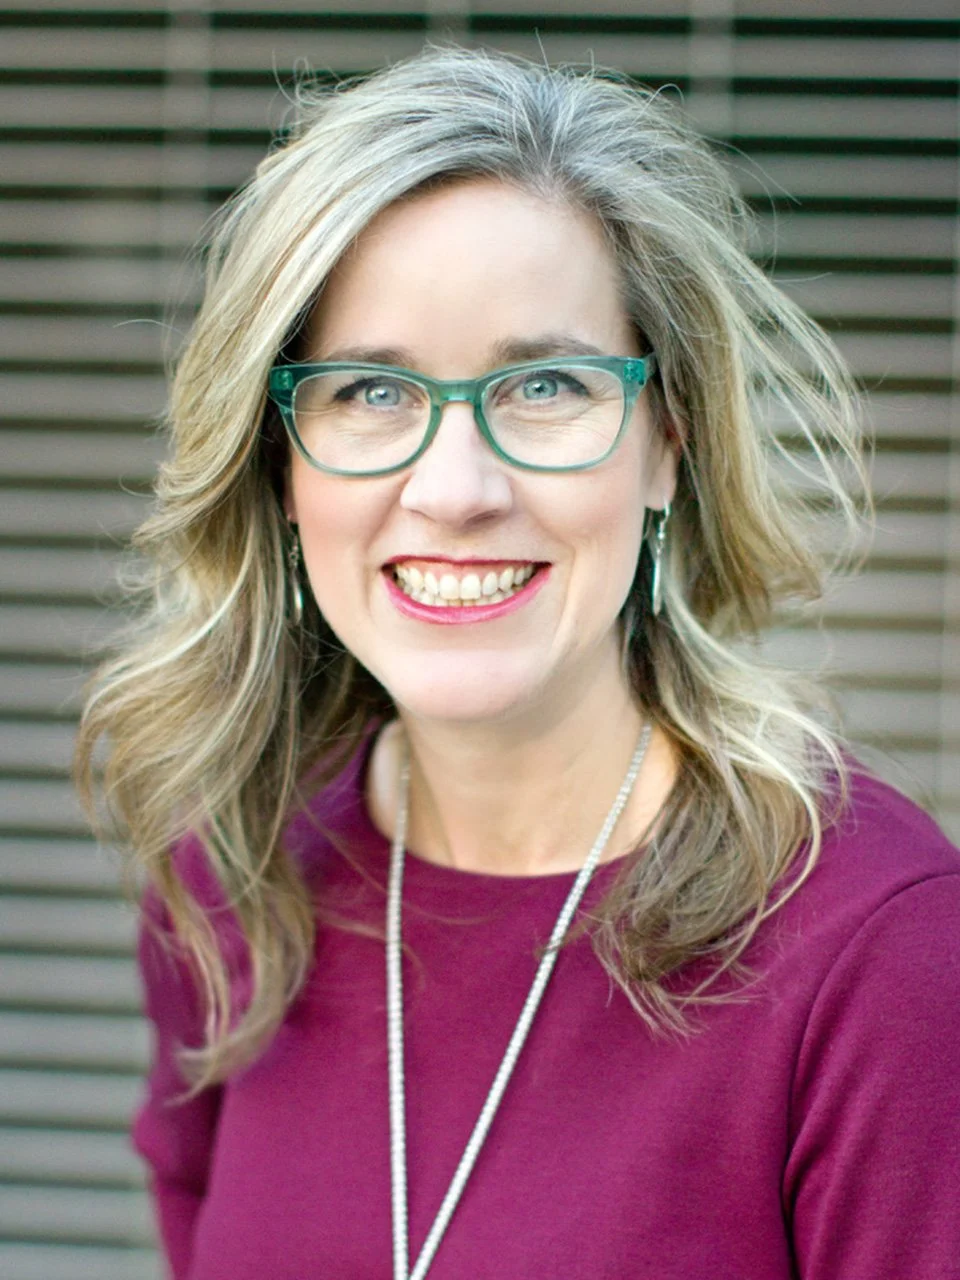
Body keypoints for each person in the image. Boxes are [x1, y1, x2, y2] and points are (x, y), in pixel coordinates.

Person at [75, 46, 960, 1280]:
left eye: (544, 383)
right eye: (371, 390)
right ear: (280, 465)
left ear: (667, 443)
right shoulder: (233, 876)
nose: (456, 489)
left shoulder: (881, 950)